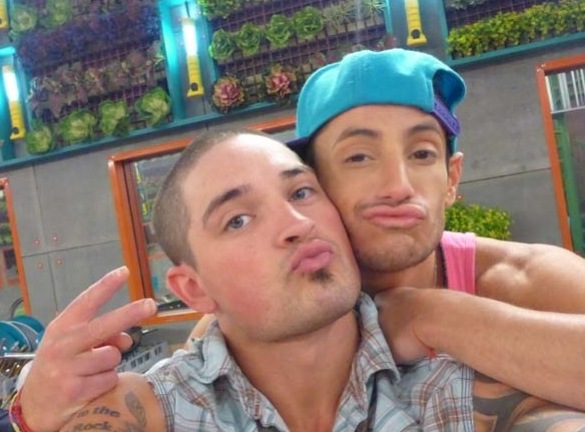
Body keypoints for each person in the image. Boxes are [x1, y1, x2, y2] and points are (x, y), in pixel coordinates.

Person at [17, 130, 476, 432]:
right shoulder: (161, 411)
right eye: (237, 220)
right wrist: (28, 413)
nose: (297, 223)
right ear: (193, 289)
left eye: (301, 192)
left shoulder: (458, 381)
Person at [285, 48, 585, 411]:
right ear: (310, 185)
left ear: (451, 179)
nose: (398, 186)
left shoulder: (521, 279)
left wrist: (434, 317)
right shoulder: (275, 306)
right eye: (358, 157)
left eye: (422, 154)